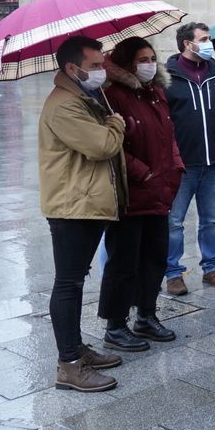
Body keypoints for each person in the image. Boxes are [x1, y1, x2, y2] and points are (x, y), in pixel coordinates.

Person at [40, 36, 128, 392]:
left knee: (74, 280)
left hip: (85, 202)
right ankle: (69, 364)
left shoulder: (83, 96)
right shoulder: (63, 105)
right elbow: (102, 145)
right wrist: (116, 123)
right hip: (72, 206)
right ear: (72, 68)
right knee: (68, 283)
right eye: (94, 66)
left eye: (102, 64)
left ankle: (76, 350)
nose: (101, 71)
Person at [100, 37, 184, 353]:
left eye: (152, 57)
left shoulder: (156, 94)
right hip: (132, 195)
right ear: (127, 63)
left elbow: (168, 136)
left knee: (155, 258)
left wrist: (176, 167)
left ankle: (146, 315)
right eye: (141, 59)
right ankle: (115, 324)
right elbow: (115, 149)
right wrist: (144, 174)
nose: (149, 64)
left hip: (159, 192)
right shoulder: (113, 96)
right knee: (124, 262)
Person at [165, 22, 215, 295]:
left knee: (211, 220)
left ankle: (211, 268)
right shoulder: (167, 77)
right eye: (205, 39)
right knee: (174, 221)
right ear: (188, 43)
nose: (210, 43)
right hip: (182, 164)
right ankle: (173, 272)